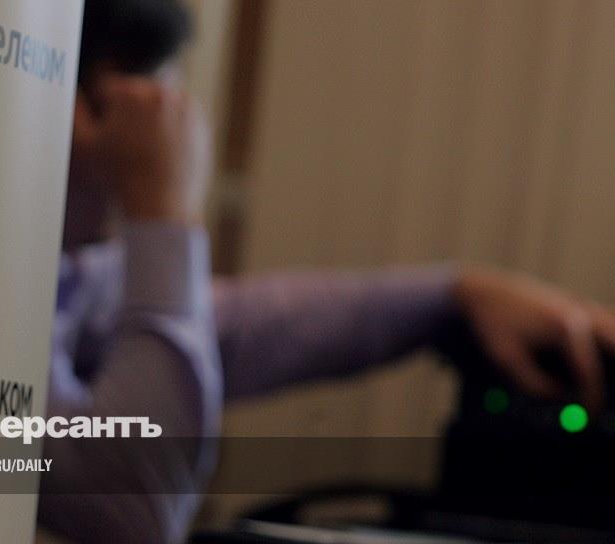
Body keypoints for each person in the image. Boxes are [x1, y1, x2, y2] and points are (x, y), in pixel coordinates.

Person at [37, 1, 615, 542]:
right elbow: (134, 503)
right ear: (95, 102)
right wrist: (160, 206)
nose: (171, 130)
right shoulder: (0, 291)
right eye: (157, 105)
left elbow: (240, 328)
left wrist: (457, 292)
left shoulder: (67, 269)